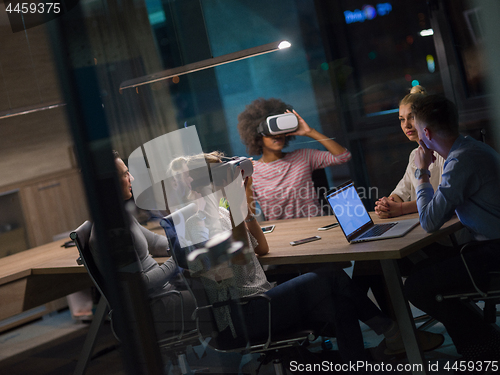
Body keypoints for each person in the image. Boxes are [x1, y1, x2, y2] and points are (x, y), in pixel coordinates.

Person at [169, 152, 443, 365]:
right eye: (219, 173)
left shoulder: (219, 211)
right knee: (330, 276)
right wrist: (235, 208)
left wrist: (242, 205)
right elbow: (240, 258)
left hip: (263, 299)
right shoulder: (193, 224)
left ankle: (359, 365)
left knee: (340, 306)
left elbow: (260, 248)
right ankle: (393, 334)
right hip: (242, 315)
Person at [404, 95, 500, 362]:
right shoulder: (470, 148)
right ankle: (484, 340)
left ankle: (483, 346)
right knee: (424, 269)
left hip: (494, 252)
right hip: (488, 246)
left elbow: (429, 221)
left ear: (426, 133)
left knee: (416, 286)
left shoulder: (460, 161)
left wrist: (421, 171)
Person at [89, 151, 196, 339]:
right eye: (123, 174)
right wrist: (177, 259)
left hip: (164, 295)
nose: (131, 178)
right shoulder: (112, 232)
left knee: (216, 287)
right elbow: (140, 285)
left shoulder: (118, 216)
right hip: (154, 308)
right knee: (218, 298)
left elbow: (154, 242)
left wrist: (187, 242)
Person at [237, 98, 351, 221]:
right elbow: (250, 214)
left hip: (317, 224)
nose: (278, 135)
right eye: (271, 132)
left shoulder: (303, 157)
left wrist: (310, 132)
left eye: (280, 131)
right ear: (258, 136)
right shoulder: (253, 170)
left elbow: (343, 156)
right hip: (285, 232)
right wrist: (247, 185)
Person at [374, 85, 445, 219]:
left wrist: (401, 209)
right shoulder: (414, 155)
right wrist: (388, 204)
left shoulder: (443, 152)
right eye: (402, 119)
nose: (406, 125)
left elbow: (442, 199)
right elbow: (402, 191)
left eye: (411, 117)